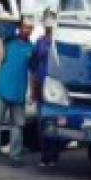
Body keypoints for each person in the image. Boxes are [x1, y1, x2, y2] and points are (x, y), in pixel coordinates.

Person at [0, 16, 35, 168]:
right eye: (25, 27)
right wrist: (0, 39)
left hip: (18, 93)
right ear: (20, 27)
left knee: (17, 126)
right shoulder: (8, 41)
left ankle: (15, 156)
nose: (27, 30)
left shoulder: (31, 48)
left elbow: (32, 72)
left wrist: (32, 92)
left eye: (30, 28)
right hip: (1, 90)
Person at [31, 9, 59, 168]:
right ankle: (44, 155)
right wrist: (33, 89)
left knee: (53, 120)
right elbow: (33, 67)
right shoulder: (40, 41)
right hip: (41, 83)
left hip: (55, 85)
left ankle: (53, 155)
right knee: (42, 120)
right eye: (47, 19)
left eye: (51, 19)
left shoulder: (58, 41)